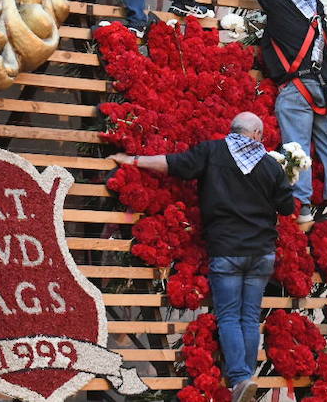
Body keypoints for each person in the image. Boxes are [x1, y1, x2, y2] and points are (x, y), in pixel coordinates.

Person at [112, 112, 292, 402]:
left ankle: (240, 381)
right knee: (248, 317)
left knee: (230, 317)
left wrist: (134, 160)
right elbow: (285, 207)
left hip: (227, 250)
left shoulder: (213, 151)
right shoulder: (270, 165)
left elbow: (172, 164)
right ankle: (245, 380)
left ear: (232, 130)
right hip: (261, 253)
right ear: (257, 133)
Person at [248, 0, 327, 225]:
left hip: (296, 88)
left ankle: (302, 206)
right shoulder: (317, 7)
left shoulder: (277, 2)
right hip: (324, 88)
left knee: (297, 146)